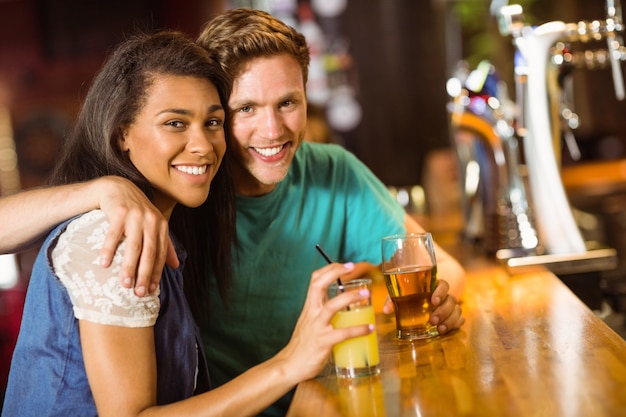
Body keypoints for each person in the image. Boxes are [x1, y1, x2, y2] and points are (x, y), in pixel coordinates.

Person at [0, 8, 466, 416]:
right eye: (244, 109)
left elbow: (438, 268)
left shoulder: (187, 189)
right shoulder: (157, 208)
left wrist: (421, 299)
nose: (272, 129)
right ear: (124, 132)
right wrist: (103, 189)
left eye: (288, 103)